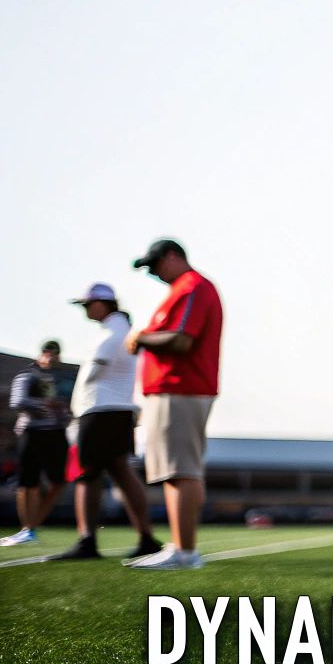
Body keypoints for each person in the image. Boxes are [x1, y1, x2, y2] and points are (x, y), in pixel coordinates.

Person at [125, 239, 223, 570]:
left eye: (154, 265)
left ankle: (184, 551)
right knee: (177, 471)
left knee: (180, 471)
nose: (153, 273)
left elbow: (182, 340)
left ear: (172, 256)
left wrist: (141, 337)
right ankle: (182, 547)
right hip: (177, 389)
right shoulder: (186, 288)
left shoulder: (192, 286)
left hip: (180, 388)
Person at [47, 284, 162, 562]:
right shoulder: (121, 331)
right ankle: (146, 537)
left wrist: (76, 409)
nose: (85, 310)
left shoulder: (112, 334)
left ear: (102, 304)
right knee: (121, 471)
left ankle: (87, 541)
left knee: (88, 474)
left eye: (88, 305)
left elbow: (92, 375)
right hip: (117, 410)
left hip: (100, 410)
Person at [0, 341, 73, 546]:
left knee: (59, 481)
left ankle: (32, 526)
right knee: (27, 483)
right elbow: (17, 401)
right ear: (41, 354)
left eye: (56, 354)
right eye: (49, 353)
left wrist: (64, 412)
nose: (52, 358)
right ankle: (27, 529)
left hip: (56, 434)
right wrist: (46, 405)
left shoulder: (62, 379)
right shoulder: (27, 376)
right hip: (32, 434)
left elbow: (69, 408)